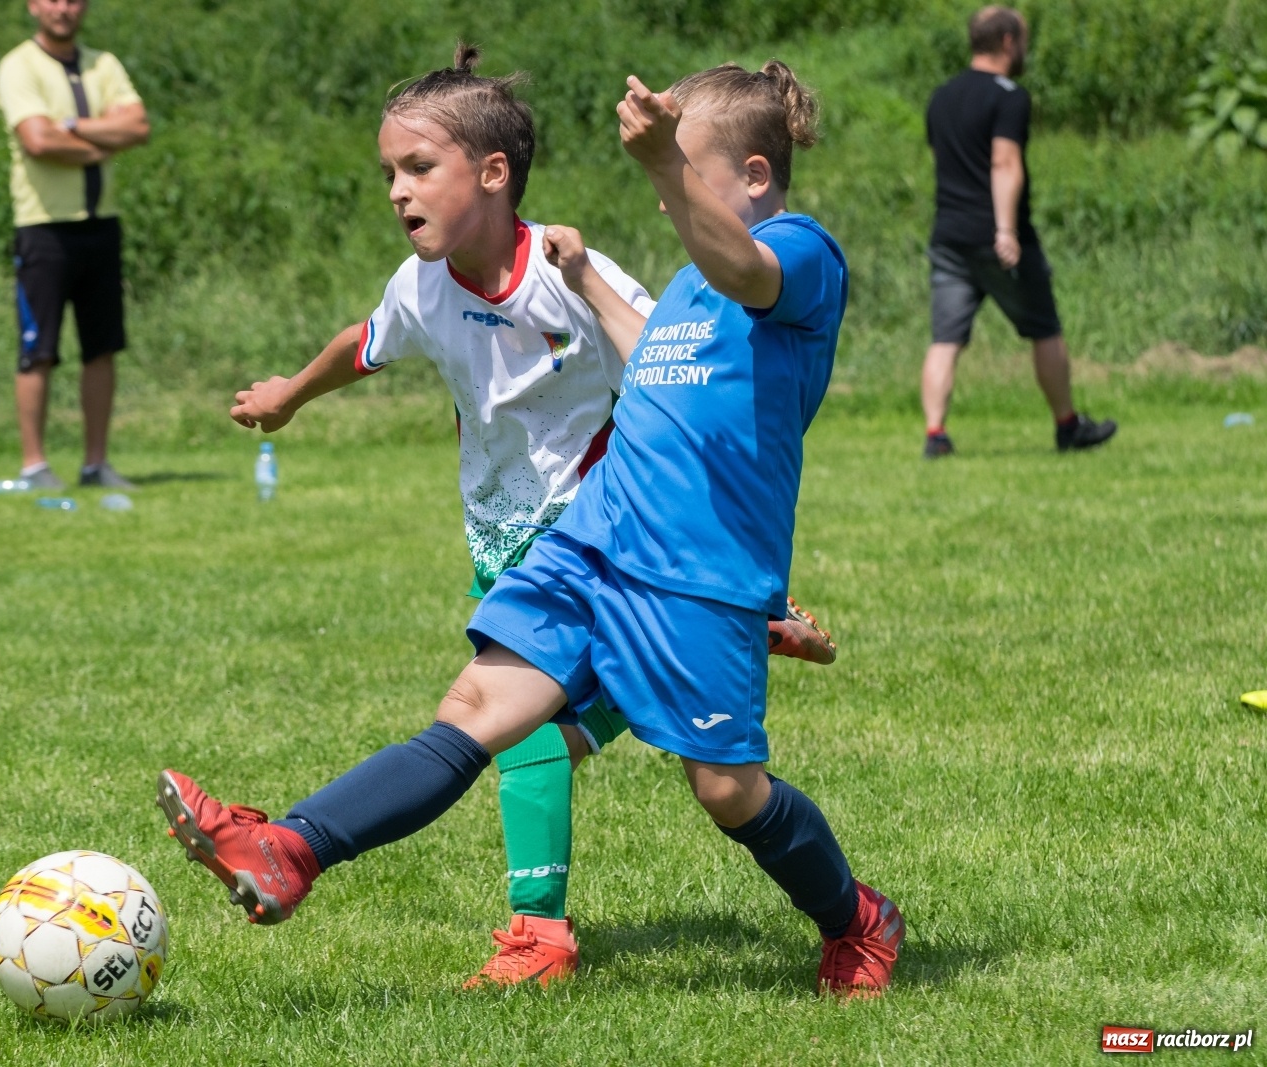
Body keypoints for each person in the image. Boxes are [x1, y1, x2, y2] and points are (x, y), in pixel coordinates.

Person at [158, 60, 903, 998]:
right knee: (479, 710)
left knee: (726, 790)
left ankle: (858, 919)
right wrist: (588, 279)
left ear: (754, 176)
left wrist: (659, 165)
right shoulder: (688, 287)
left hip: (694, 568)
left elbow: (748, 271)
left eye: (688, 169)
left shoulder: (802, 253)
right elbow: (654, 362)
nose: (669, 195)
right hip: (594, 536)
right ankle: (288, 848)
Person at [920, 5, 1115, 457]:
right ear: (1008, 42)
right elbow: (1004, 163)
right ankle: (1067, 426)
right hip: (999, 237)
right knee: (1045, 328)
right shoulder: (1009, 96)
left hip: (948, 235)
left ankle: (935, 434)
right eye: (1023, 40)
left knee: (945, 339)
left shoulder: (941, 96)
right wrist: (1006, 230)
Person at [0, 0, 149, 489]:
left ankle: (95, 464)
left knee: (101, 348)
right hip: (43, 227)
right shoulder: (19, 65)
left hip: (101, 224)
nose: (63, 8)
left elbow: (138, 127)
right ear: (33, 5)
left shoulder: (103, 64)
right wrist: (103, 143)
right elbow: (37, 141)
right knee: (37, 350)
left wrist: (71, 127)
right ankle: (34, 466)